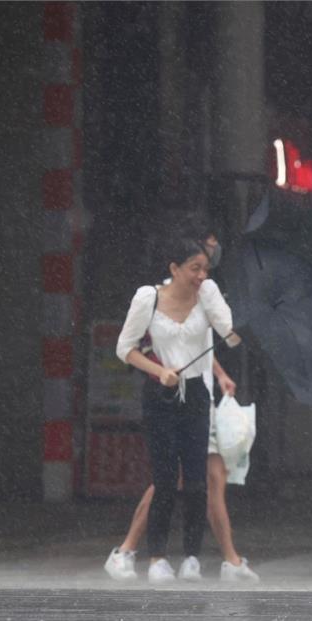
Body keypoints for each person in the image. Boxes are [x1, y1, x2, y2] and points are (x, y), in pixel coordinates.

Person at [114, 226, 240, 584]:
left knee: (198, 481)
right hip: (160, 395)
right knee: (166, 479)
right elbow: (125, 348)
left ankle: (192, 557)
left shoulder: (209, 293)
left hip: (198, 394)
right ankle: (156, 557)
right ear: (174, 268)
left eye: (205, 269)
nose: (202, 276)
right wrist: (159, 370)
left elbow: (229, 335)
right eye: (195, 269)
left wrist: (243, 318)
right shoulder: (147, 299)